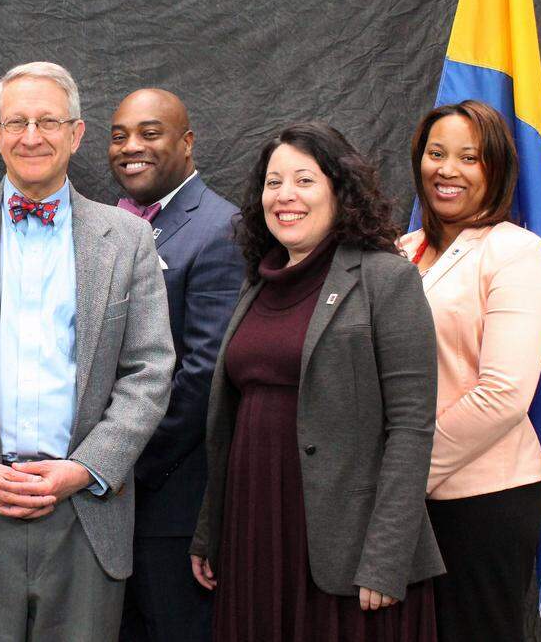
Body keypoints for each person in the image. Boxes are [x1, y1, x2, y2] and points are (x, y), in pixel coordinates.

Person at [0, 61, 175, 641]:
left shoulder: (128, 239)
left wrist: (84, 469)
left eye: (48, 121)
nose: (31, 136)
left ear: (77, 133)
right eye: (16, 121)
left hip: (85, 514)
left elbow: (151, 370)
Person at [190, 123, 444, 641]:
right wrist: (209, 531)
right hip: (254, 531)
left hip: (350, 550)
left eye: (304, 180)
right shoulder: (257, 281)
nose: (285, 196)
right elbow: (230, 419)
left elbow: (412, 428)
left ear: (339, 189)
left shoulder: (385, 279)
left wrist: (386, 557)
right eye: (273, 182)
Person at [400, 100, 541, 641]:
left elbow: (504, 394)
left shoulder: (516, 253)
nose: (447, 170)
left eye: (470, 157)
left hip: (483, 503)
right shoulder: (400, 251)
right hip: (402, 503)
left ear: (497, 169)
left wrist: (403, 475)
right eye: (436, 153)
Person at [108, 88, 244, 641]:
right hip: (110, 503)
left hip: (170, 499)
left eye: (149, 133)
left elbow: (204, 374)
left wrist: (117, 463)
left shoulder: (218, 229)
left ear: (187, 143)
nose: (130, 147)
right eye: (119, 136)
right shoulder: (110, 222)